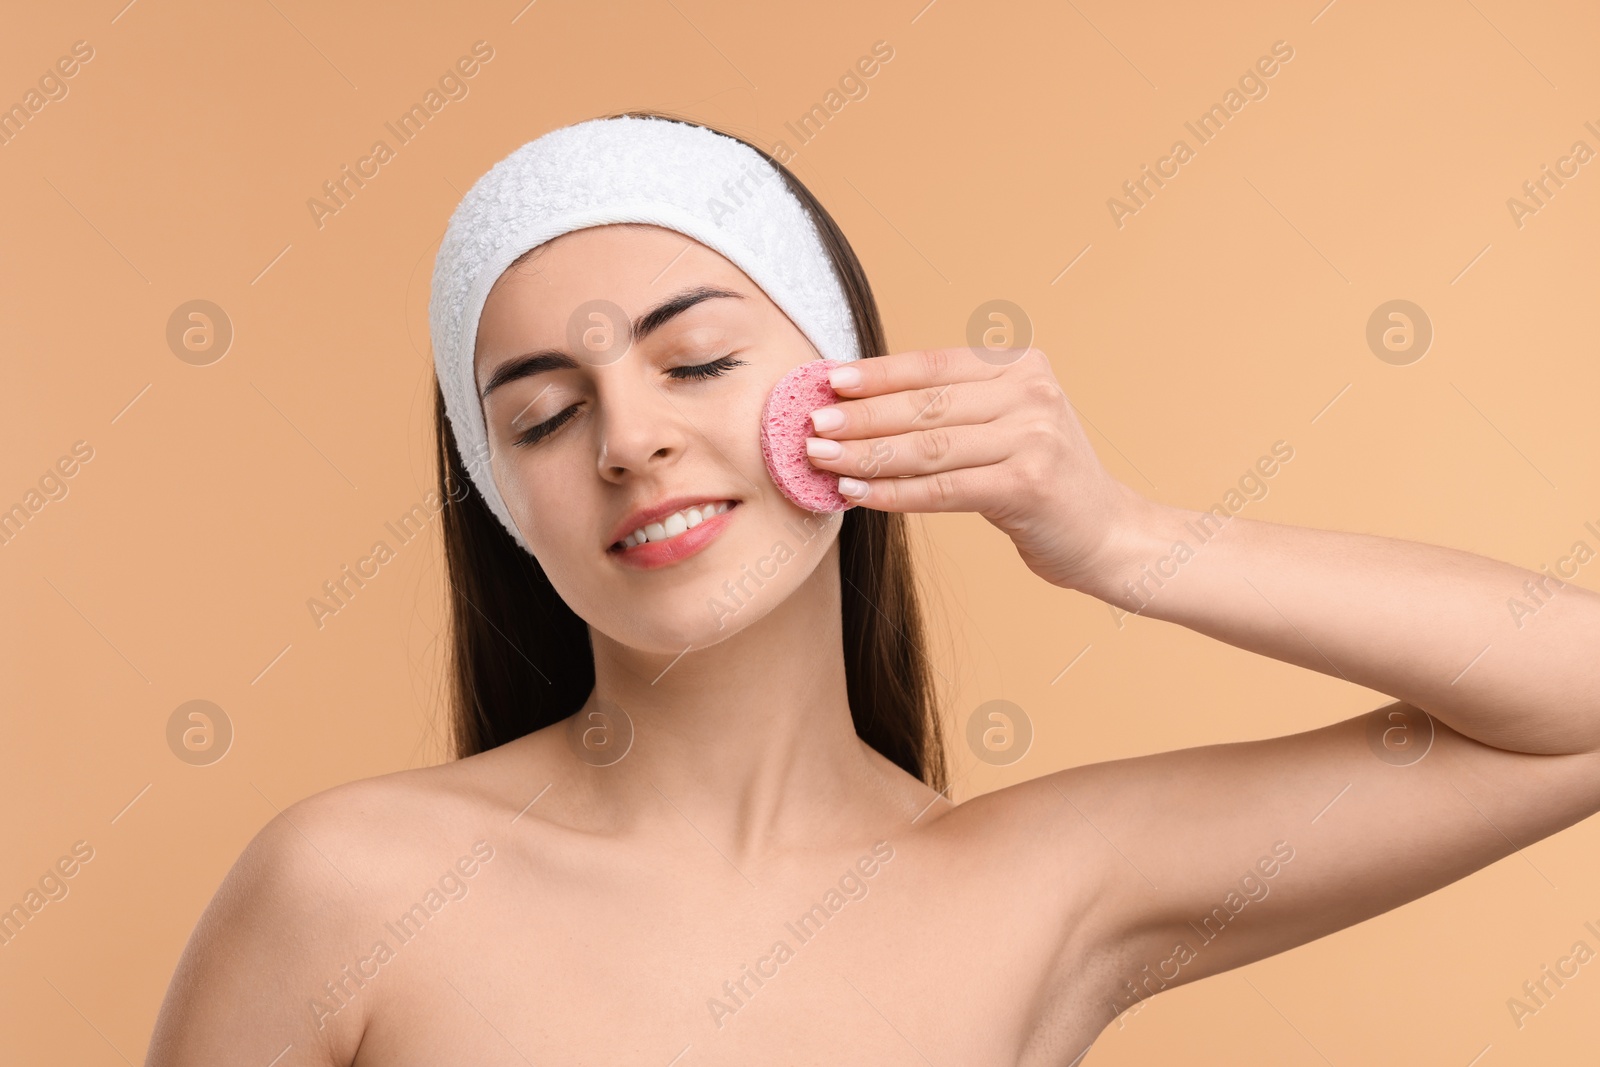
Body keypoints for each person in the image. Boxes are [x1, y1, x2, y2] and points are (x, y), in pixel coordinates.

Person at [145, 112, 1600, 1066]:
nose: (631, 437)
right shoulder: (344, 889)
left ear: (853, 383)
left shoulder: (1040, 885)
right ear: (508, 505)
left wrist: (1117, 541)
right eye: (539, 416)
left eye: (698, 361)